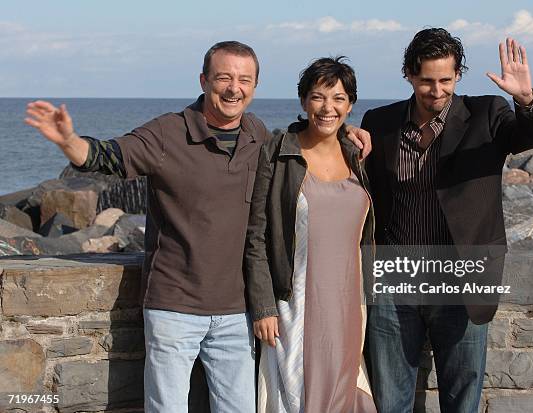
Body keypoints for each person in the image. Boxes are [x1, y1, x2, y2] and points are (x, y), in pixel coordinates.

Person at [24, 41, 371, 413]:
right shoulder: (167, 133)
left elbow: (312, 133)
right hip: (174, 307)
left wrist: (344, 127)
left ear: (254, 86)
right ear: (204, 80)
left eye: (244, 79)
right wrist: (69, 142)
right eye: (223, 77)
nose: (233, 88)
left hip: (237, 311)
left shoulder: (259, 137)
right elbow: (110, 156)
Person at [362, 29, 533, 413]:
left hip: (462, 279)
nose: (437, 91)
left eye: (446, 80)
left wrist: (525, 100)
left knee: (462, 399)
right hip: (393, 282)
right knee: (388, 401)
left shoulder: (488, 113)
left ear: (458, 76)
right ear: (410, 75)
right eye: (427, 81)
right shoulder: (379, 122)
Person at [245, 56, 377, 413]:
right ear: (303, 101)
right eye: (318, 97)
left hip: (351, 305)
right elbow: (256, 235)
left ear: (350, 105)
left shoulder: (357, 155)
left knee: (345, 390)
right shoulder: (280, 152)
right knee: (297, 395)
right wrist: (263, 307)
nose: (327, 107)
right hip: (295, 305)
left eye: (338, 98)